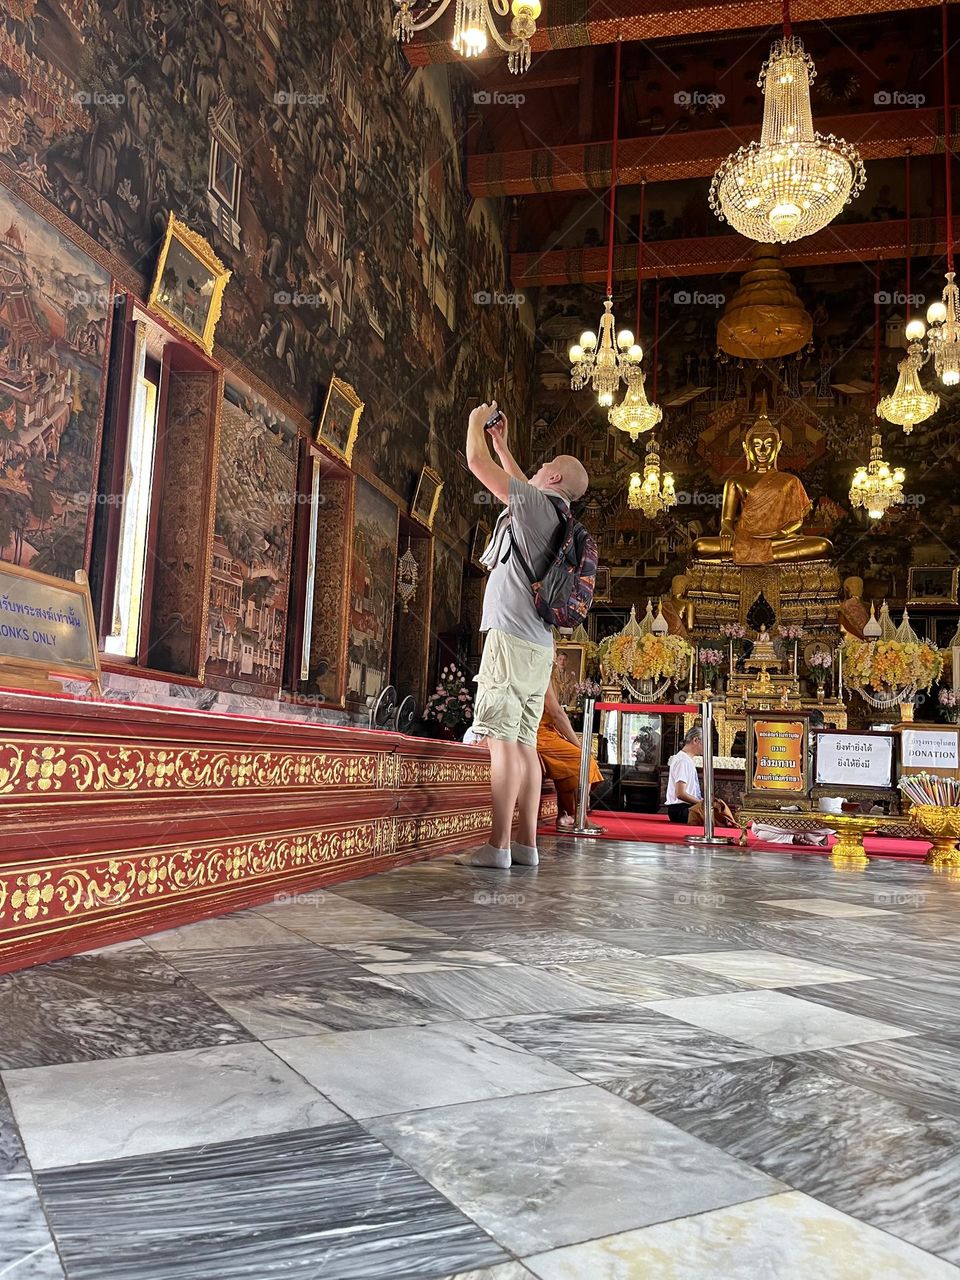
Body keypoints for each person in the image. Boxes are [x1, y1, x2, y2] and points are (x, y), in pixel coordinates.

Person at [459, 400, 589, 869]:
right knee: (525, 744)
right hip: (537, 646)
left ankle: (496, 847)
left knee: (502, 742)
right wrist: (504, 445)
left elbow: (477, 465)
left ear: (553, 480)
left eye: (545, 465)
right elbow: (515, 483)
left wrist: (476, 425)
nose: (537, 467)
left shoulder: (535, 507)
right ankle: (526, 845)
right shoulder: (552, 514)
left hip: (511, 639)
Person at [537, 667, 604, 834]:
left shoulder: (551, 677)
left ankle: (565, 814)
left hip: (548, 732)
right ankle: (580, 818)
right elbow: (557, 713)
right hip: (539, 734)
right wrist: (580, 746)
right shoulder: (540, 672)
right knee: (584, 761)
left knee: (570, 767)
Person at [665, 725, 705, 823]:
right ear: (696, 740)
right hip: (681, 810)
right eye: (705, 743)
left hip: (686, 807)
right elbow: (680, 793)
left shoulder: (686, 759)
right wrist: (701, 803)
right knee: (716, 818)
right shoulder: (683, 761)